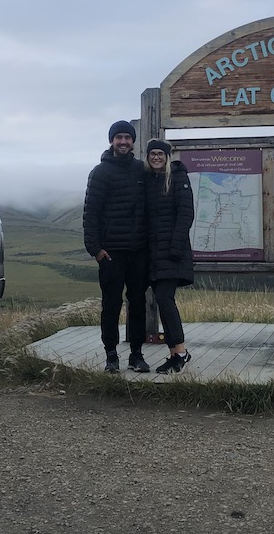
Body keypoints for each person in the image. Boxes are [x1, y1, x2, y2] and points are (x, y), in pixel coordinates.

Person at [83, 120, 150, 373]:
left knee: (138, 304)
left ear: (133, 141)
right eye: (118, 137)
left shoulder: (141, 170)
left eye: (127, 138)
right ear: (111, 141)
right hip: (110, 253)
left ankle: (136, 354)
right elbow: (91, 214)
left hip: (138, 251)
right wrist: (96, 250)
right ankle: (111, 355)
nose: (123, 142)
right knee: (111, 304)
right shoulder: (100, 172)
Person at [143, 139, 194, 374]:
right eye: (152, 153)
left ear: (167, 156)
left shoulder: (177, 177)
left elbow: (186, 214)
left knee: (165, 298)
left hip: (173, 252)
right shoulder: (150, 181)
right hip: (154, 254)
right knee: (163, 301)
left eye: (160, 153)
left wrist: (176, 247)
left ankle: (181, 352)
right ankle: (175, 354)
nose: (156, 157)